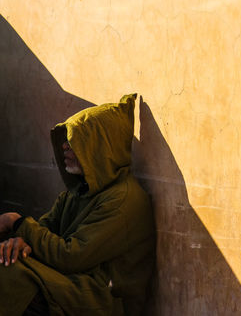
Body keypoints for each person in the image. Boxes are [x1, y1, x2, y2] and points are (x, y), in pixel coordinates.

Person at [0, 94, 155, 316]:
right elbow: (43, 229)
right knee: (7, 263)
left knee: (10, 277)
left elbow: (71, 256)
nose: (64, 148)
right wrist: (20, 242)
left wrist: (15, 221)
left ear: (100, 148)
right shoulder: (80, 191)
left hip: (102, 297)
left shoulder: (124, 200)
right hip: (71, 280)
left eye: (74, 142)